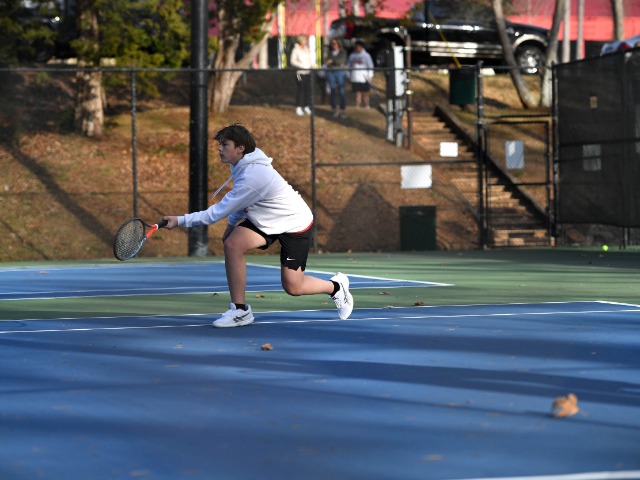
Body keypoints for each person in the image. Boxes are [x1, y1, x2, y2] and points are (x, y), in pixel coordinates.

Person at [162, 124, 354, 328]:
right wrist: (231, 225)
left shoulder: (254, 176)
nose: (219, 148)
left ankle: (336, 287)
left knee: (293, 287)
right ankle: (240, 311)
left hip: (294, 222)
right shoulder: (241, 165)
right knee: (233, 244)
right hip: (265, 219)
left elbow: (217, 212)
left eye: (225, 144)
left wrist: (179, 220)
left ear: (240, 148)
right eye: (220, 144)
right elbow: (242, 201)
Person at [289, 35, 315, 116]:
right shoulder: (295, 50)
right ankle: (298, 107)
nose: (306, 41)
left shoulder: (306, 49)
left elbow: (309, 60)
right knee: (301, 89)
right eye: (304, 40)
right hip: (299, 73)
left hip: (308, 73)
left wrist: (312, 65)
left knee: (308, 89)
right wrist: (301, 65)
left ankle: (306, 106)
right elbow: (292, 61)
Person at [324, 38, 348, 118]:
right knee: (332, 91)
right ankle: (334, 109)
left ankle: (342, 110)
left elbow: (341, 61)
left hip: (340, 73)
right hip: (331, 73)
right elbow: (327, 62)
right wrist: (334, 62)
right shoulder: (330, 53)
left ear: (338, 44)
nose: (333, 45)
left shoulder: (343, 52)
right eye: (332, 44)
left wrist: (332, 61)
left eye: (335, 44)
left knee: (341, 91)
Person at [347, 40, 374, 109]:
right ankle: (358, 106)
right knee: (357, 94)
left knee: (365, 94)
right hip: (355, 78)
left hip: (364, 78)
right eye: (356, 46)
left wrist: (370, 76)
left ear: (362, 47)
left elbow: (370, 66)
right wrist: (349, 76)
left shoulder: (366, 56)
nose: (357, 48)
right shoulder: (352, 55)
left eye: (359, 46)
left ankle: (366, 106)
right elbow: (349, 66)